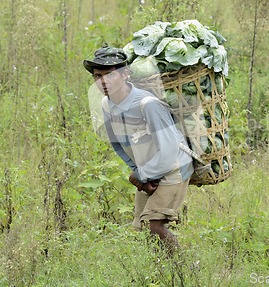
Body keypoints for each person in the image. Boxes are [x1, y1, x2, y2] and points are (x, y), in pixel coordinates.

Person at [83, 44, 194, 253]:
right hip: (149, 170)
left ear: (125, 74)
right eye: (97, 76)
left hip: (175, 167)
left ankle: (185, 272)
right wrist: (140, 173)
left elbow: (169, 150)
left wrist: (143, 174)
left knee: (155, 225)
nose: (102, 81)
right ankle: (160, 275)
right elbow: (118, 144)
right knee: (142, 227)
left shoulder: (147, 104)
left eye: (109, 75)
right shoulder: (107, 105)